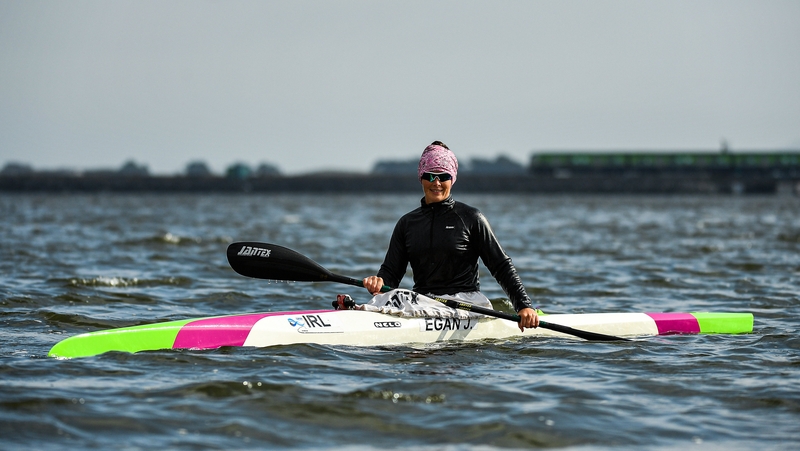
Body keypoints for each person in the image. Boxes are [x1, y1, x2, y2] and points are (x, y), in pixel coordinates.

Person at [362, 141, 539, 331]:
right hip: (421, 300)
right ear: (421, 177)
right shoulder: (406, 224)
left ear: (452, 179)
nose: (436, 183)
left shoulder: (471, 218)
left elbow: (501, 266)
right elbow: (390, 273)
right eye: (430, 176)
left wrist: (524, 305)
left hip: (464, 303)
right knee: (385, 299)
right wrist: (378, 283)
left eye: (443, 176)